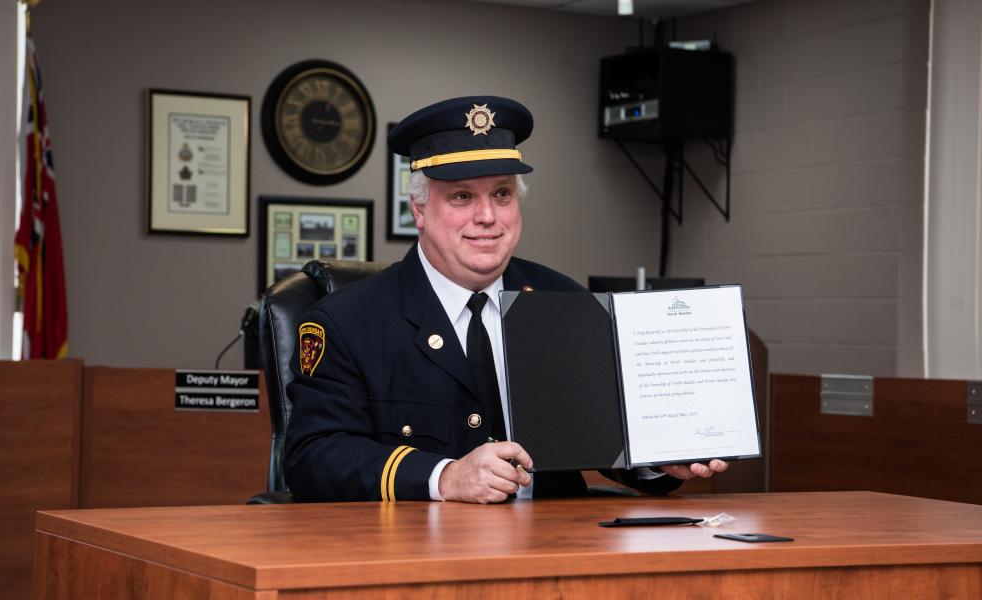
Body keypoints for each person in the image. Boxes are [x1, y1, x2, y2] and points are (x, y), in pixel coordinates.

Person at [284, 96, 727, 503]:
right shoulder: (347, 320)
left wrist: (659, 459)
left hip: (556, 555)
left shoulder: (565, 303)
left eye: (502, 194)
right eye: (462, 196)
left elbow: (603, 436)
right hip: (415, 558)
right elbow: (314, 457)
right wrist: (444, 476)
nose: (487, 217)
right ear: (419, 210)